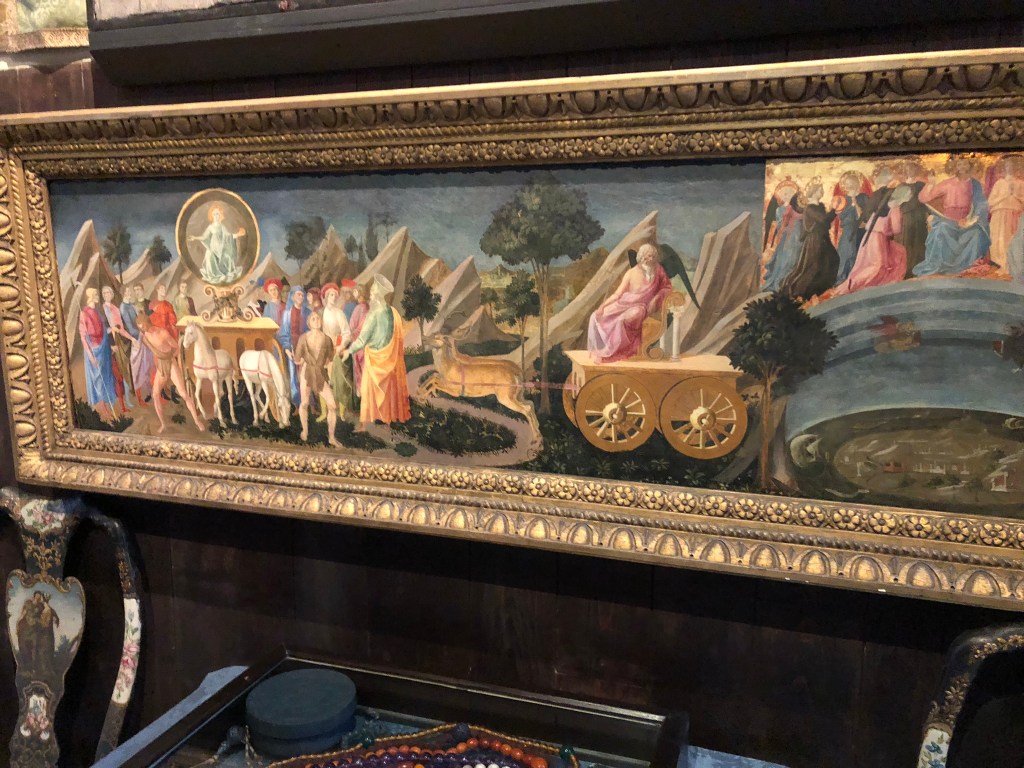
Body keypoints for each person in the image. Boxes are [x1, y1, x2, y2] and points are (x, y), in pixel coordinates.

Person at [342, 275, 411, 431]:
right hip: (389, 357)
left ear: (378, 296)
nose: (370, 298)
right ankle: (387, 419)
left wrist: (349, 350)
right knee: (388, 390)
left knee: (368, 390)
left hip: (374, 358)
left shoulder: (373, 314)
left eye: (372, 294)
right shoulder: (393, 312)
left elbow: (362, 340)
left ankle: (364, 424)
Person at [586, 243, 672, 364]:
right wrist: (602, 306)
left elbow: (667, 287)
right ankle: (604, 350)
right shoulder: (631, 273)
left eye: (653, 256)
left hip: (641, 307)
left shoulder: (658, 270)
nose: (652, 259)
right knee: (596, 315)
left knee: (624, 319)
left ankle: (611, 351)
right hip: (623, 303)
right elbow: (618, 294)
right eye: (649, 256)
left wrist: (656, 298)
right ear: (642, 256)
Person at [914, 156, 992, 276]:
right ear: (954, 166)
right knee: (941, 229)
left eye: (965, 164)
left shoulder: (975, 184)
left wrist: (971, 220)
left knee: (977, 233)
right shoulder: (947, 184)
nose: (962, 167)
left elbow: (981, 204)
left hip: (967, 220)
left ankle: (970, 266)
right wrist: (930, 184)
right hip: (948, 219)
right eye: (959, 164)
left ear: (970, 165)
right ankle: (941, 266)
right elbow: (924, 198)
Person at [832, 185, 913, 296]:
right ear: (904, 196)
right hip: (880, 240)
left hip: (870, 237)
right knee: (876, 266)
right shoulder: (896, 208)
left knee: (874, 263)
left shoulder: (885, 203)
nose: (910, 196)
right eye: (909, 194)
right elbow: (896, 229)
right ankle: (851, 286)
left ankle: (870, 284)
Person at [137, 312, 205, 434]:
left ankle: (197, 421)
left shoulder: (162, 333)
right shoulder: (145, 335)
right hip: (161, 366)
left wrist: (171, 358)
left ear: (147, 323)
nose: (143, 330)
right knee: (155, 394)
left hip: (170, 363)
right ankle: (163, 424)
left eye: (144, 327)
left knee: (183, 394)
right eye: (141, 328)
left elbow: (176, 348)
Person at [288, 311, 342, 447]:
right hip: (307, 373)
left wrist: (324, 365)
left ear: (321, 321)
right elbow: (298, 359)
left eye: (318, 318)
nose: (316, 320)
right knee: (304, 403)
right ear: (309, 323)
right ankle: (305, 431)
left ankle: (331, 437)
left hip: (320, 374)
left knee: (332, 405)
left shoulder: (327, 339)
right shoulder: (303, 338)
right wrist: (300, 360)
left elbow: (330, 359)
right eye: (313, 318)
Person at [779, 180, 839, 300]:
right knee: (813, 267)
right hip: (815, 240)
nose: (822, 192)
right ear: (814, 192)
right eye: (820, 190)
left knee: (829, 260)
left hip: (823, 238)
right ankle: (803, 291)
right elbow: (823, 220)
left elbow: (825, 222)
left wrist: (832, 212)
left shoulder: (819, 206)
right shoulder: (811, 208)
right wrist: (833, 211)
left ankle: (822, 288)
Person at [79, 287, 119, 420]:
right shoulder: (84, 313)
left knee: (106, 377)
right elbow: (83, 337)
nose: (98, 296)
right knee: (98, 380)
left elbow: (102, 332)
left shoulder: (97, 312)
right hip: (94, 351)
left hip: (104, 349)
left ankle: (106, 406)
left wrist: (111, 331)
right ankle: (102, 408)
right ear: (90, 296)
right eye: (96, 294)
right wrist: (91, 356)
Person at [320, 283, 354, 422]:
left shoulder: (339, 313)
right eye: (331, 295)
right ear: (326, 296)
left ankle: (341, 412)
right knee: (324, 380)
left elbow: (347, 333)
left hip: (336, 349)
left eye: (335, 295)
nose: (333, 297)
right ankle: (327, 411)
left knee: (338, 380)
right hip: (324, 350)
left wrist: (341, 346)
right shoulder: (321, 313)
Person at [190, 203, 245, 285]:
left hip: (222, 249)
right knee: (209, 256)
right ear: (211, 215)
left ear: (220, 215)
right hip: (213, 248)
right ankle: (215, 275)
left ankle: (224, 274)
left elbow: (228, 236)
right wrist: (195, 237)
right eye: (214, 214)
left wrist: (238, 234)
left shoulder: (222, 226)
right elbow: (204, 237)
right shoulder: (210, 227)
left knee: (228, 257)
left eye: (217, 214)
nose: (216, 216)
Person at [101, 285, 135, 411]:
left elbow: (121, 328)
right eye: (104, 293)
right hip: (108, 345)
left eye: (109, 292)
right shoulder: (101, 310)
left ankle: (126, 401)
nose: (107, 295)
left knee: (123, 373)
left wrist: (131, 338)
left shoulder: (115, 309)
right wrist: (110, 339)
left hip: (119, 343)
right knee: (115, 376)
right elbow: (102, 330)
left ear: (112, 294)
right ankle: (119, 405)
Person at [988, 157, 1024, 275]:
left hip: (1015, 213)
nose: (1010, 168)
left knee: (1012, 238)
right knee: (999, 239)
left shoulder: (1020, 183)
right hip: (1000, 213)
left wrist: (1015, 196)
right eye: (1008, 166)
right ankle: (1002, 264)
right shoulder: (999, 183)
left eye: (1012, 166)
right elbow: (990, 201)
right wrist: (1004, 196)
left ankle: (1012, 265)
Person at [120, 285, 153, 406]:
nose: (130, 293)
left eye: (130, 291)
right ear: (124, 293)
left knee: (146, 365)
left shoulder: (131, 305)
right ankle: (136, 398)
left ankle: (149, 392)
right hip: (134, 340)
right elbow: (129, 327)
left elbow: (138, 320)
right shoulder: (123, 307)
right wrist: (140, 333)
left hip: (140, 337)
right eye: (128, 291)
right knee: (136, 369)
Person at [280, 286, 308, 404]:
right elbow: (284, 332)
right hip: (292, 346)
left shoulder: (308, 312)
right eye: (298, 294)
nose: (300, 297)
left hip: (306, 347)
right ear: (292, 297)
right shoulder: (287, 313)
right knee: (294, 375)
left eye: (302, 295)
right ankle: (297, 403)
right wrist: (287, 349)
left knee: (306, 375)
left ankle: (309, 403)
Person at [348, 284, 370, 394]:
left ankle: (363, 392)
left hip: (360, 342)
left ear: (361, 292)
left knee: (361, 367)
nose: (354, 293)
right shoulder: (365, 306)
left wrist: (352, 333)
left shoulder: (361, 308)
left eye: (355, 291)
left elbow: (357, 326)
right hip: (362, 342)